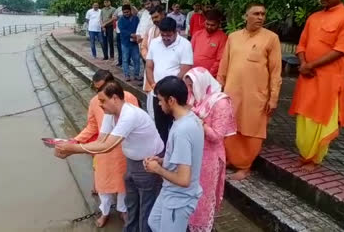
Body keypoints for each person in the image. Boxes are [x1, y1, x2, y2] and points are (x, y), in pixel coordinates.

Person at [55, 80, 164, 232]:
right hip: (132, 161)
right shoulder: (110, 113)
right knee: (132, 203)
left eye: (102, 101)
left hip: (149, 162)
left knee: (146, 207)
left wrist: (72, 148)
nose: (99, 104)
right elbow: (101, 141)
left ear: (115, 98)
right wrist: (72, 149)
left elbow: (107, 146)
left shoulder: (129, 115)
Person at [217, 3, 282, 180]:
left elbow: (276, 71)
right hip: (232, 93)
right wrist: (218, 88)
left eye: (263, 14)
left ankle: (245, 166)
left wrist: (273, 98)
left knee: (251, 130)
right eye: (256, 14)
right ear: (246, 16)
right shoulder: (233, 37)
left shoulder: (271, 38)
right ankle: (231, 158)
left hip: (256, 95)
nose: (260, 17)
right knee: (231, 128)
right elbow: (224, 65)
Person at [289, 0, 344, 172]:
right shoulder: (313, 17)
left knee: (322, 117)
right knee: (304, 114)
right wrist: (304, 64)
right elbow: (302, 44)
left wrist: (310, 65)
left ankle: (314, 159)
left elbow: (340, 50)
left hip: (329, 79)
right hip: (308, 76)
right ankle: (304, 154)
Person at [74, 70, 139, 227]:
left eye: (101, 88)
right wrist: (75, 140)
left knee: (123, 184)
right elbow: (92, 126)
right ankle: (105, 212)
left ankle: (123, 209)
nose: (98, 94)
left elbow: (135, 124)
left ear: (112, 85)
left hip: (123, 148)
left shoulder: (129, 98)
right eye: (96, 89)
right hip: (103, 148)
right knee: (103, 184)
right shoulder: (94, 102)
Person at [145, 76, 204, 232]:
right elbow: (184, 158)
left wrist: (157, 169)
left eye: (160, 100)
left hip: (179, 199)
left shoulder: (182, 131)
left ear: (171, 100)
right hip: (170, 191)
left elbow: (184, 179)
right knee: (154, 222)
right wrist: (163, 160)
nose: (158, 104)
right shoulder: (189, 120)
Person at [184, 67, 236, 232]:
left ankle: (201, 228)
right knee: (190, 192)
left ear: (202, 83)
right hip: (194, 152)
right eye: (188, 86)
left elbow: (217, 136)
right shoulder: (195, 97)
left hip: (210, 157)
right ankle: (190, 224)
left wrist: (200, 123)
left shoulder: (220, 102)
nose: (190, 90)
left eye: (192, 86)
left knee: (203, 196)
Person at [146, 17, 193, 145]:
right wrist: (154, 85)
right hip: (158, 94)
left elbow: (185, 70)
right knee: (160, 126)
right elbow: (149, 66)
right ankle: (163, 153)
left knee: (176, 126)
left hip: (174, 96)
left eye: (169, 35)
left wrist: (168, 89)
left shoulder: (185, 45)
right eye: (163, 35)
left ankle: (175, 152)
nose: (166, 38)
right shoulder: (155, 43)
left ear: (176, 31)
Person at [141, 5, 166, 119]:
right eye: (153, 18)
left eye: (156, 17)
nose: (155, 20)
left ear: (162, 14)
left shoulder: (169, 31)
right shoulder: (150, 30)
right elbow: (143, 47)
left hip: (164, 72)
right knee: (151, 103)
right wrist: (149, 58)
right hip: (150, 69)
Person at [191, 9, 227, 77]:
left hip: (210, 75)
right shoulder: (197, 34)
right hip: (194, 73)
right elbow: (189, 53)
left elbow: (220, 60)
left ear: (218, 24)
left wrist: (209, 74)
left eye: (213, 25)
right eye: (207, 24)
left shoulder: (222, 37)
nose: (209, 27)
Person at [118, 5, 141, 82]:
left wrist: (137, 35)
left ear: (130, 11)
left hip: (135, 43)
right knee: (125, 59)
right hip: (125, 43)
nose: (126, 13)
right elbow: (122, 30)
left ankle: (136, 75)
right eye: (124, 12)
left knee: (137, 59)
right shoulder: (121, 20)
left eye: (127, 12)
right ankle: (126, 75)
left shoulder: (136, 18)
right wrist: (131, 34)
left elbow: (139, 28)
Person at [114, 0, 138, 67]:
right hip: (120, 31)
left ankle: (129, 61)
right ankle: (120, 61)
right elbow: (114, 16)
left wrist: (131, 6)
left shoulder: (133, 8)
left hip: (131, 32)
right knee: (120, 47)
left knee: (130, 47)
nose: (126, 2)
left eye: (127, 1)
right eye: (124, 1)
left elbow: (136, 14)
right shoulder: (118, 9)